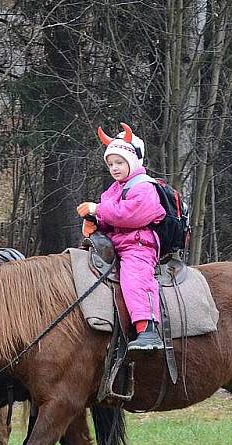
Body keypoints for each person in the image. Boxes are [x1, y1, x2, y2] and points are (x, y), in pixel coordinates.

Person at [78, 123, 165, 352]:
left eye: (119, 163)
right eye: (110, 164)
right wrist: (95, 221)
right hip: (117, 244)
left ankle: (148, 330)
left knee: (134, 277)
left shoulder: (144, 187)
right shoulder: (113, 190)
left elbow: (134, 215)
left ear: (132, 162)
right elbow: (110, 218)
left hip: (138, 243)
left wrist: (98, 210)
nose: (114, 168)